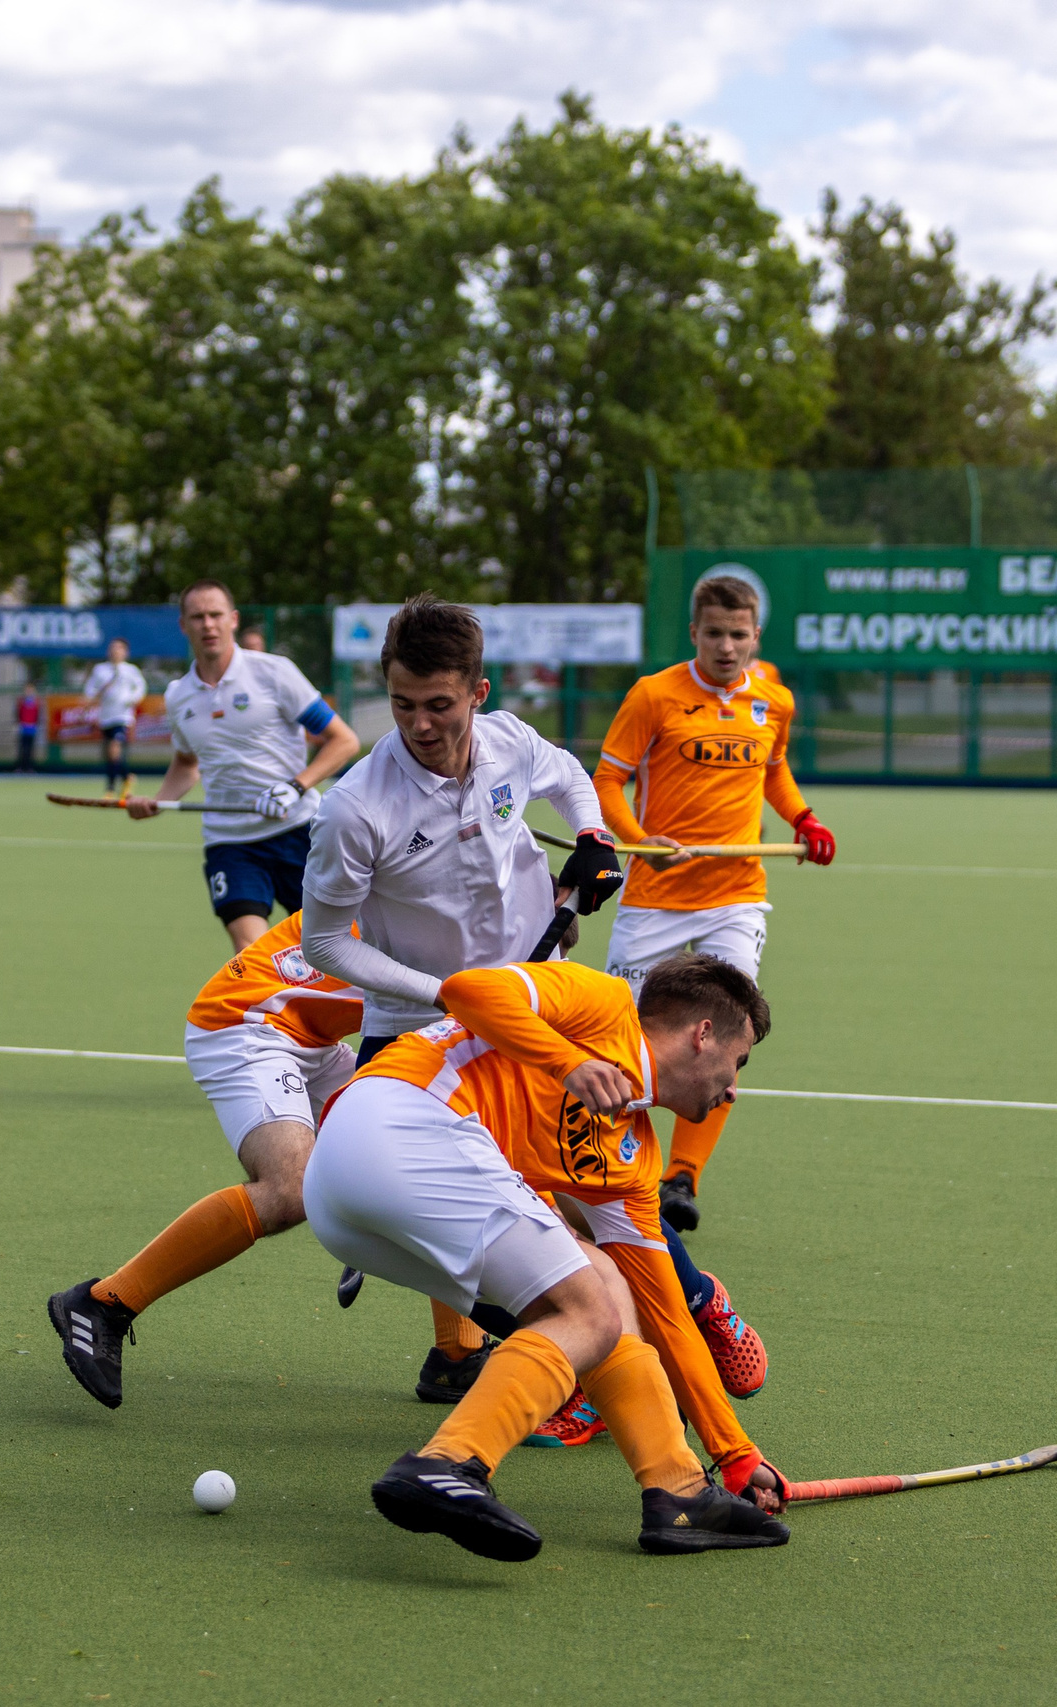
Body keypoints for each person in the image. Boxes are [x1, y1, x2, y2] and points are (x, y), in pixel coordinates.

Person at [305, 950, 788, 1560]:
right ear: (703, 1035)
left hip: (355, 1202)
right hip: (397, 1120)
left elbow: (666, 1312)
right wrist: (570, 1063)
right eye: (738, 1063)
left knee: (608, 1289)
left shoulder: (634, 1154)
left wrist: (736, 1454)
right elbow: (466, 988)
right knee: (588, 1305)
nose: (733, 1089)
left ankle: (679, 1490)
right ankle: (448, 1462)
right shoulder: (603, 1003)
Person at [298, 593, 625, 1402]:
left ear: (478, 692)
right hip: (419, 1028)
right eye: (403, 704)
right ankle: (573, 1363)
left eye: (439, 704)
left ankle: (485, 1354)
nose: (419, 724)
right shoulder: (356, 808)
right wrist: (442, 992)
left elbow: (570, 775)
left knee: (565, 1191)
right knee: (469, 1208)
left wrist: (593, 837)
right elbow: (325, 942)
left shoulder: (509, 740)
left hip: (527, 1001)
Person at [594, 574, 833, 1237]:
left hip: (736, 895)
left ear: (756, 636)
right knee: (626, 1038)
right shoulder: (653, 695)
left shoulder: (773, 699)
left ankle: (682, 1177)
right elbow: (608, 779)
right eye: (715, 633)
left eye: (739, 634)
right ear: (693, 633)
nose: (727, 647)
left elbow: (774, 769)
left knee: (733, 1028)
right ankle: (614, 1172)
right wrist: (641, 841)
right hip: (655, 898)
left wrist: (804, 817)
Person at [47, 913, 362, 1408]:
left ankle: (456, 1355)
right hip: (247, 1022)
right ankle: (105, 1303)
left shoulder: (482, 908)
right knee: (290, 1187)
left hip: (315, 1037)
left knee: (434, 1150)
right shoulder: (445, 916)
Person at [129, 581, 360, 953]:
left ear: (233, 620)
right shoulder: (178, 695)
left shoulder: (274, 672)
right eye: (198, 617)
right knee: (252, 951)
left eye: (216, 615)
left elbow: (343, 740)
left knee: (338, 946)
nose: (208, 625)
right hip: (230, 841)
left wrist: (295, 786)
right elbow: (187, 764)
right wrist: (158, 800)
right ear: (183, 625)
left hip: (297, 829)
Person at [82, 637, 148, 799]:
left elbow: (140, 688)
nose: (115, 651)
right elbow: (90, 690)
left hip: (123, 716)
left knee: (114, 750)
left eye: (119, 649)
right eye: (113, 648)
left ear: (125, 652)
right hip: (106, 717)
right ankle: (126, 778)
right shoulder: (100, 670)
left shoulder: (131, 671)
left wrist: (131, 700)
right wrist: (90, 699)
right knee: (109, 755)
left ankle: (110, 789)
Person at [12, 682, 42, 774]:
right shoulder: (21, 701)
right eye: (27, 690)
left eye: (31, 689)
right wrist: (18, 724)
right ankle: (21, 767)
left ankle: (29, 768)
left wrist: (36, 725)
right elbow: (18, 713)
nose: (29, 691)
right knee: (22, 748)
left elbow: (38, 714)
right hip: (23, 727)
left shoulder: (36, 701)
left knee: (30, 749)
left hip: (32, 728)